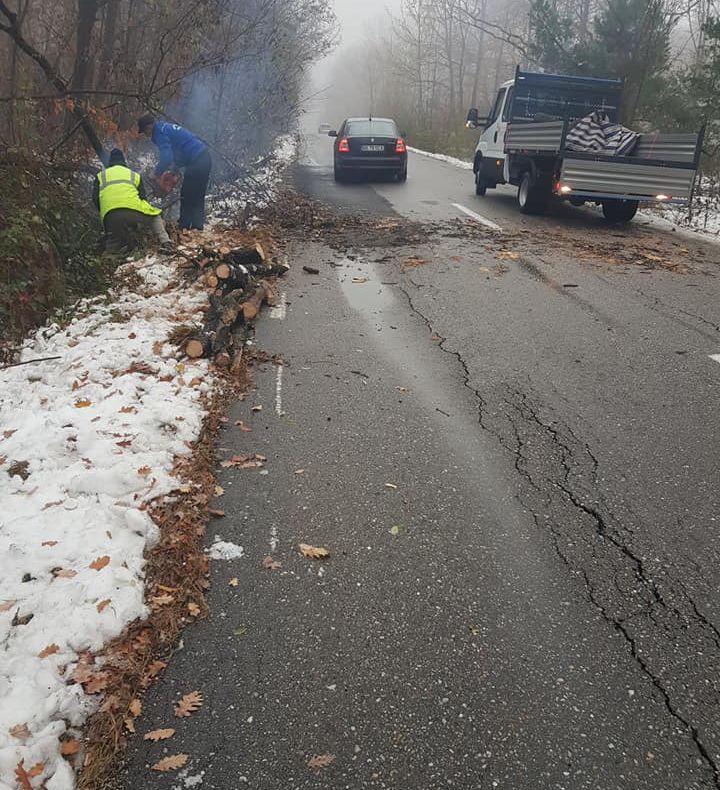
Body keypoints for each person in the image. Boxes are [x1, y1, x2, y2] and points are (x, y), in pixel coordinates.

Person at [138, 115, 212, 231]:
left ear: (148, 127)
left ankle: (184, 226)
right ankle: (197, 227)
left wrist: (156, 173)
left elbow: (167, 157)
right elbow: (180, 151)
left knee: (187, 193)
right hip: (204, 158)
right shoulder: (165, 127)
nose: (146, 134)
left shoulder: (159, 133)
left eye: (144, 131)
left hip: (197, 161)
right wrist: (174, 170)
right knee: (197, 194)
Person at [93, 149, 171, 254]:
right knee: (155, 217)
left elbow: (95, 199)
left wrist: (107, 212)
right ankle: (166, 243)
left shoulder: (101, 176)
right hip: (132, 209)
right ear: (123, 161)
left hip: (109, 214)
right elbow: (143, 199)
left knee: (113, 240)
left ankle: (107, 263)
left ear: (110, 162)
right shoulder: (134, 175)